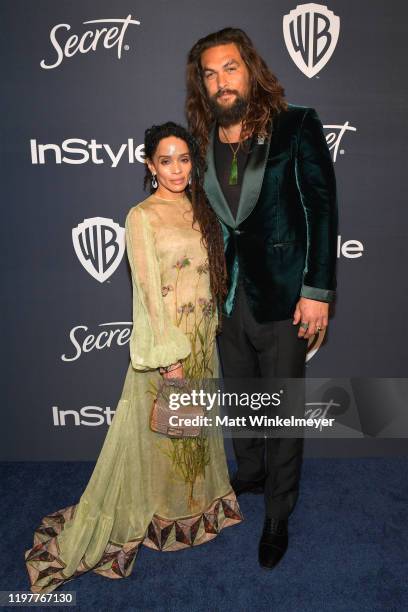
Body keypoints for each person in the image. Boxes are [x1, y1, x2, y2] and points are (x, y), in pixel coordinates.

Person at [24, 122, 243, 593]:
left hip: (202, 339)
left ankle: (195, 508)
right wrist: (169, 358)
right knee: (160, 435)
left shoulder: (199, 207)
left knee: (193, 430)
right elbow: (147, 293)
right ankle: (162, 513)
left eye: (184, 159)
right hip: (169, 346)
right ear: (150, 165)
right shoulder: (141, 216)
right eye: (166, 160)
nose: (177, 169)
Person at [185, 28, 338, 569]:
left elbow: (321, 210)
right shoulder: (200, 138)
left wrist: (316, 291)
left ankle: (279, 511)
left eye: (230, 68)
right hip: (225, 298)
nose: (221, 81)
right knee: (244, 395)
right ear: (201, 84)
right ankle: (248, 472)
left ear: (249, 69)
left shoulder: (296, 124)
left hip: (282, 293)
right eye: (210, 73)